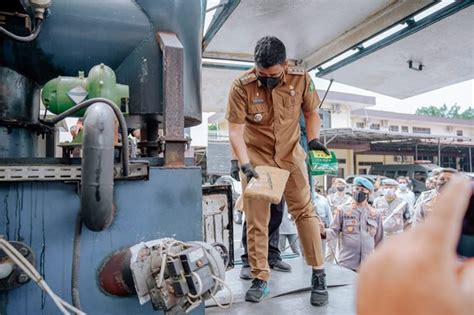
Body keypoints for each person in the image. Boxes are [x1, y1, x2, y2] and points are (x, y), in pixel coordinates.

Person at [226, 35, 329, 305]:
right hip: (258, 161)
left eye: (272, 75)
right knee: (257, 219)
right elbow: (235, 131)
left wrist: (315, 139)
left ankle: (319, 275)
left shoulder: (301, 79)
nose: (266, 80)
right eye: (261, 74)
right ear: (255, 66)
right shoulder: (241, 86)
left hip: (291, 157)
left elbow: (312, 113)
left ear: (284, 64)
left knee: (305, 213)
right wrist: (245, 164)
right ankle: (260, 277)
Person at [357, 176, 473, 315]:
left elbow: (408, 220)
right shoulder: (425, 202)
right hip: (431, 251)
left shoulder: (403, 202)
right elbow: (417, 225)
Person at [230, 156, 292, 280]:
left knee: (277, 212)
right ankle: (249, 260)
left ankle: (272, 255)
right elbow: (235, 136)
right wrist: (234, 161)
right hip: (255, 164)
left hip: (277, 165)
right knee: (254, 215)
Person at [321, 177, 383, 271]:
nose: (359, 192)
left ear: (369, 193)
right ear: (352, 190)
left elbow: (379, 240)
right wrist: (323, 231)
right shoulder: (343, 210)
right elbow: (334, 231)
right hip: (347, 263)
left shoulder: (375, 214)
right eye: (356, 189)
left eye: (362, 190)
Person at [312, 180, 332, 256]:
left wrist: (329, 233)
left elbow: (329, 217)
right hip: (305, 231)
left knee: (321, 255)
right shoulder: (301, 199)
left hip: (320, 231)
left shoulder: (323, 200)